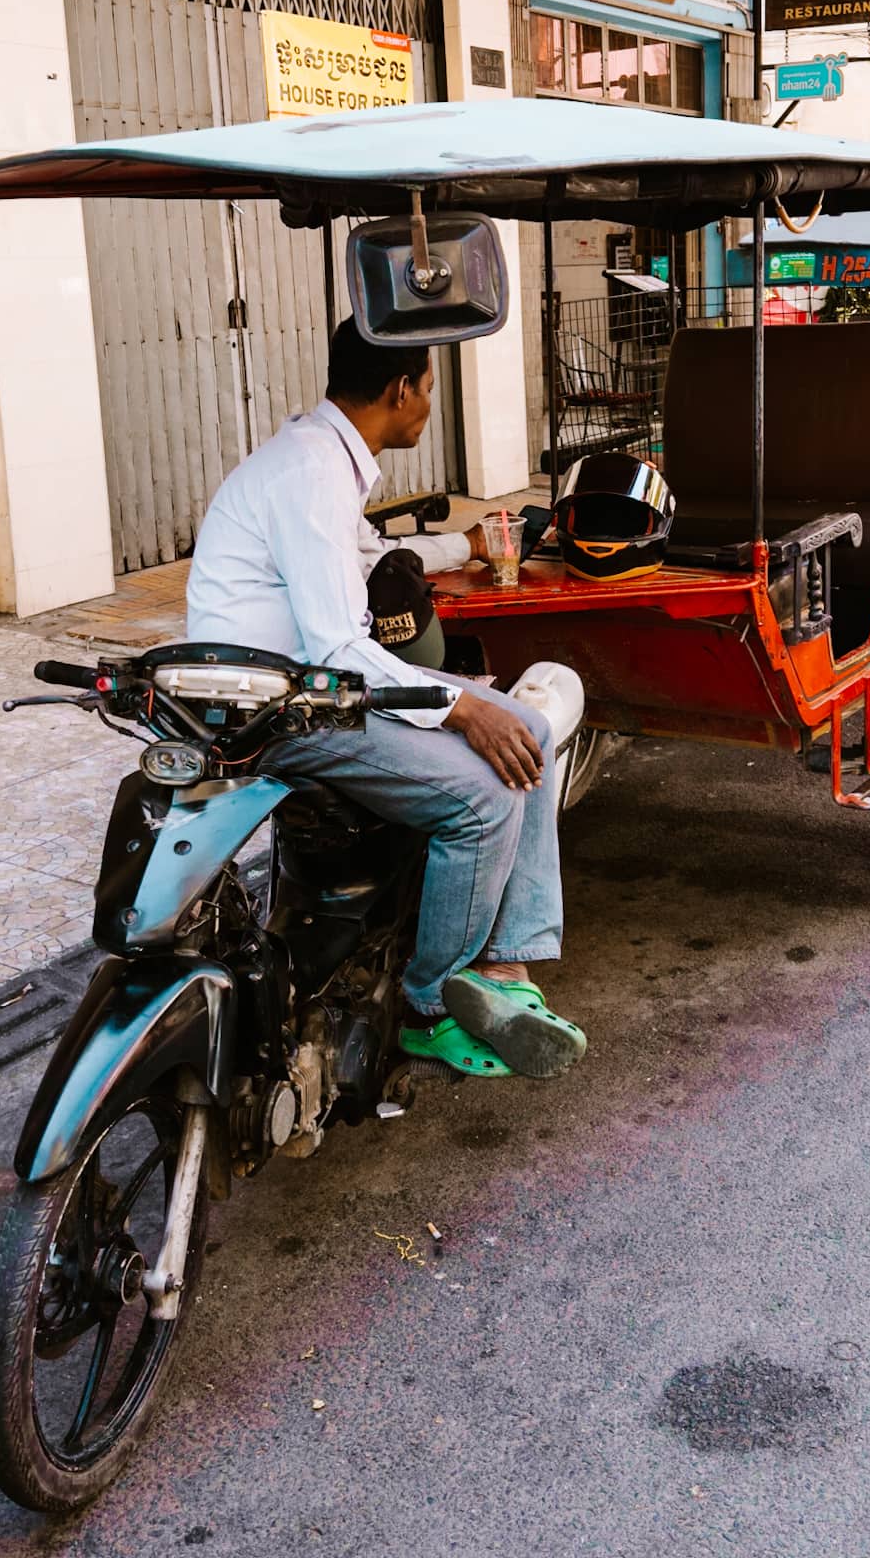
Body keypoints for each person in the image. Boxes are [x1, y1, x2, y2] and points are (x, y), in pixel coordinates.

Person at [186, 317, 586, 1080]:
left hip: (311, 691)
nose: (430, 404)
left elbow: (373, 563)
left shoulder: (319, 459)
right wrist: (464, 708)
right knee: (483, 795)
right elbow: (339, 649)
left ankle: (507, 970)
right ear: (402, 391)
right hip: (283, 713)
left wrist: (465, 551)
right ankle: (431, 1006)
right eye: (430, 388)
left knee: (528, 725)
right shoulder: (312, 472)